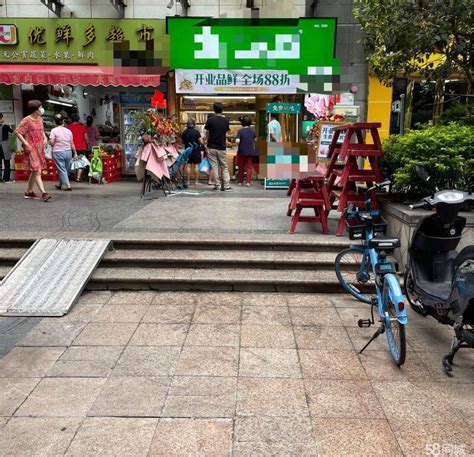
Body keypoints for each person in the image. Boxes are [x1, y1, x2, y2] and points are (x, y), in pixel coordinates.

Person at [14, 99, 51, 201]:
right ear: (35, 109)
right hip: (31, 148)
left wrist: (45, 138)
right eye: (40, 107)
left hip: (40, 148)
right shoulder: (27, 120)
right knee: (36, 169)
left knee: (36, 171)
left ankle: (29, 192)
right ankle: (44, 193)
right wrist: (26, 143)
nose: (42, 109)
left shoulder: (40, 119)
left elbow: (42, 130)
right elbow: (17, 132)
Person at [204, 102, 231, 191]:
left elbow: (207, 133)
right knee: (224, 166)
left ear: (214, 109)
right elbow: (226, 132)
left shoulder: (210, 120)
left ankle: (217, 185)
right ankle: (226, 186)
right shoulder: (226, 120)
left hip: (211, 146)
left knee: (214, 166)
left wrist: (205, 142)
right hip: (222, 146)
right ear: (222, 109)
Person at [49, 113, 78, 191]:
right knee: (65, 169)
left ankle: (68, 185)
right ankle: (59, 184)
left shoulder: (53, 131)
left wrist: (50, 141)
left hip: (58, 152)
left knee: (62, 169)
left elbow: (51, 142)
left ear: (55, 122)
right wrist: (75, 153)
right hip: (68, 152)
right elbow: (72, 143)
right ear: (63, 121)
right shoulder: (68, 131)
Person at [181, 119, 204, 186]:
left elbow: (182, 142)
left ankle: (188, 182)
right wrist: (202, 145)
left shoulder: (184, 132)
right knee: (196, 166)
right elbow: (201, 142)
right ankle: (196, 182)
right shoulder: (196, 132)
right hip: (196, 150)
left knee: (188, 166)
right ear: (194, 125)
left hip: (187, 150)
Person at [236, 116, 257, 187]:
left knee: (241, 167)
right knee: (249, 167)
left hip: (241, 151)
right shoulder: (252, 131)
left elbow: (237, 141)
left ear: (242, 123)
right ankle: (248, 182)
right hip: (250, 151)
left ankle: (240, 182)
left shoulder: (240, 131)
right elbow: (255, 140)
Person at [67, 113, 88, 182]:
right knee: (81, 162)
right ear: (78, 119)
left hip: (71, 147)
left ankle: (74, 175)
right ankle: (78, 177)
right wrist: (87, 144)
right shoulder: (82, 127)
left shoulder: (68, 127)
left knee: (72, 162)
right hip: (82, 147)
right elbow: (86, 138)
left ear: (71, 119)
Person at [0, 113, 14, 183]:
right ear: (1, 118)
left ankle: (0, 179)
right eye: (2, 118)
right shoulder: (5, 127)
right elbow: (14, 132)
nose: (3, 119)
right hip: (4, 145)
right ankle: (7, 179)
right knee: (7, 163)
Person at [201, 113, 214, 186]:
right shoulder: (213, 126)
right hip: (212, 147)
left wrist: (204, 144)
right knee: (212, 164)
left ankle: (208, 178)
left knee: (207, 163)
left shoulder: (203, 126)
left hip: (206, 147)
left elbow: (203, 137)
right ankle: (210, 180)